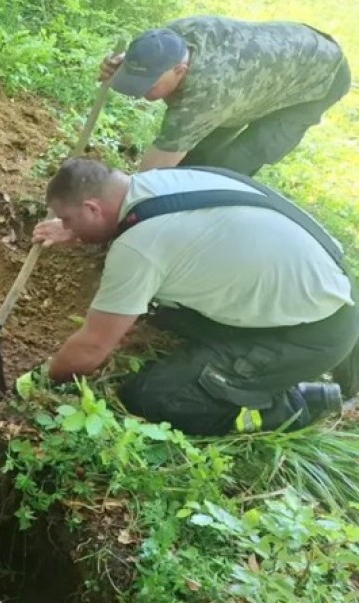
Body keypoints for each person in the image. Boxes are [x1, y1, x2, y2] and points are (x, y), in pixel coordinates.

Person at [31, 158, 359, 436]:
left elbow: (91, 348)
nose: (64, 226)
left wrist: (44, 382)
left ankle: (300, 405)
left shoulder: (140, 247)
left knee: (155, 397)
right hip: (326, 281)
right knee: (157, 309)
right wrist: (78, 230)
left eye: (69, 219)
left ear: (92, 207)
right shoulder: (153, 183)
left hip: (312, 333)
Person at [100, 16, 351, 175]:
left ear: (180, 70)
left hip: (319, 77)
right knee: (199, 152)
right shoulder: (170, 37)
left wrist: (126, 207)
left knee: (235, 162)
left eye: (148, 85)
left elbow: (155, 167)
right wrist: (128, 67)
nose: (142, 92)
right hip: (271, 63)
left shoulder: (206, 91)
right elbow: (147, 56)